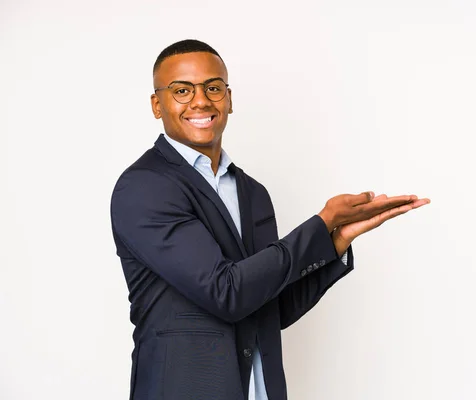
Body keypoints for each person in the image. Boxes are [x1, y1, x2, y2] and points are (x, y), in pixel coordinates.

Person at [110, 39, 430, 400]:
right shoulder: (145, 187)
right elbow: (226, 292)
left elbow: (267, 308)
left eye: (213, 88)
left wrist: (337, 240)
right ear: (157, 104)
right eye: (182, 90)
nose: (200, 101)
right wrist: (321, 223)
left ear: (229, 99)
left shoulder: (252, 192)